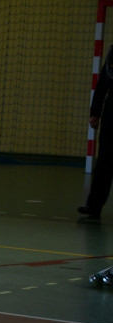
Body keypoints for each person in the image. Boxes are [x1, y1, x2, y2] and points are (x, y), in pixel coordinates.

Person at [81, 45, 113, 219]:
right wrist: (95, 112)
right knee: (103, 165)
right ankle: (93, 206)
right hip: (111, 118)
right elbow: (102, 84)